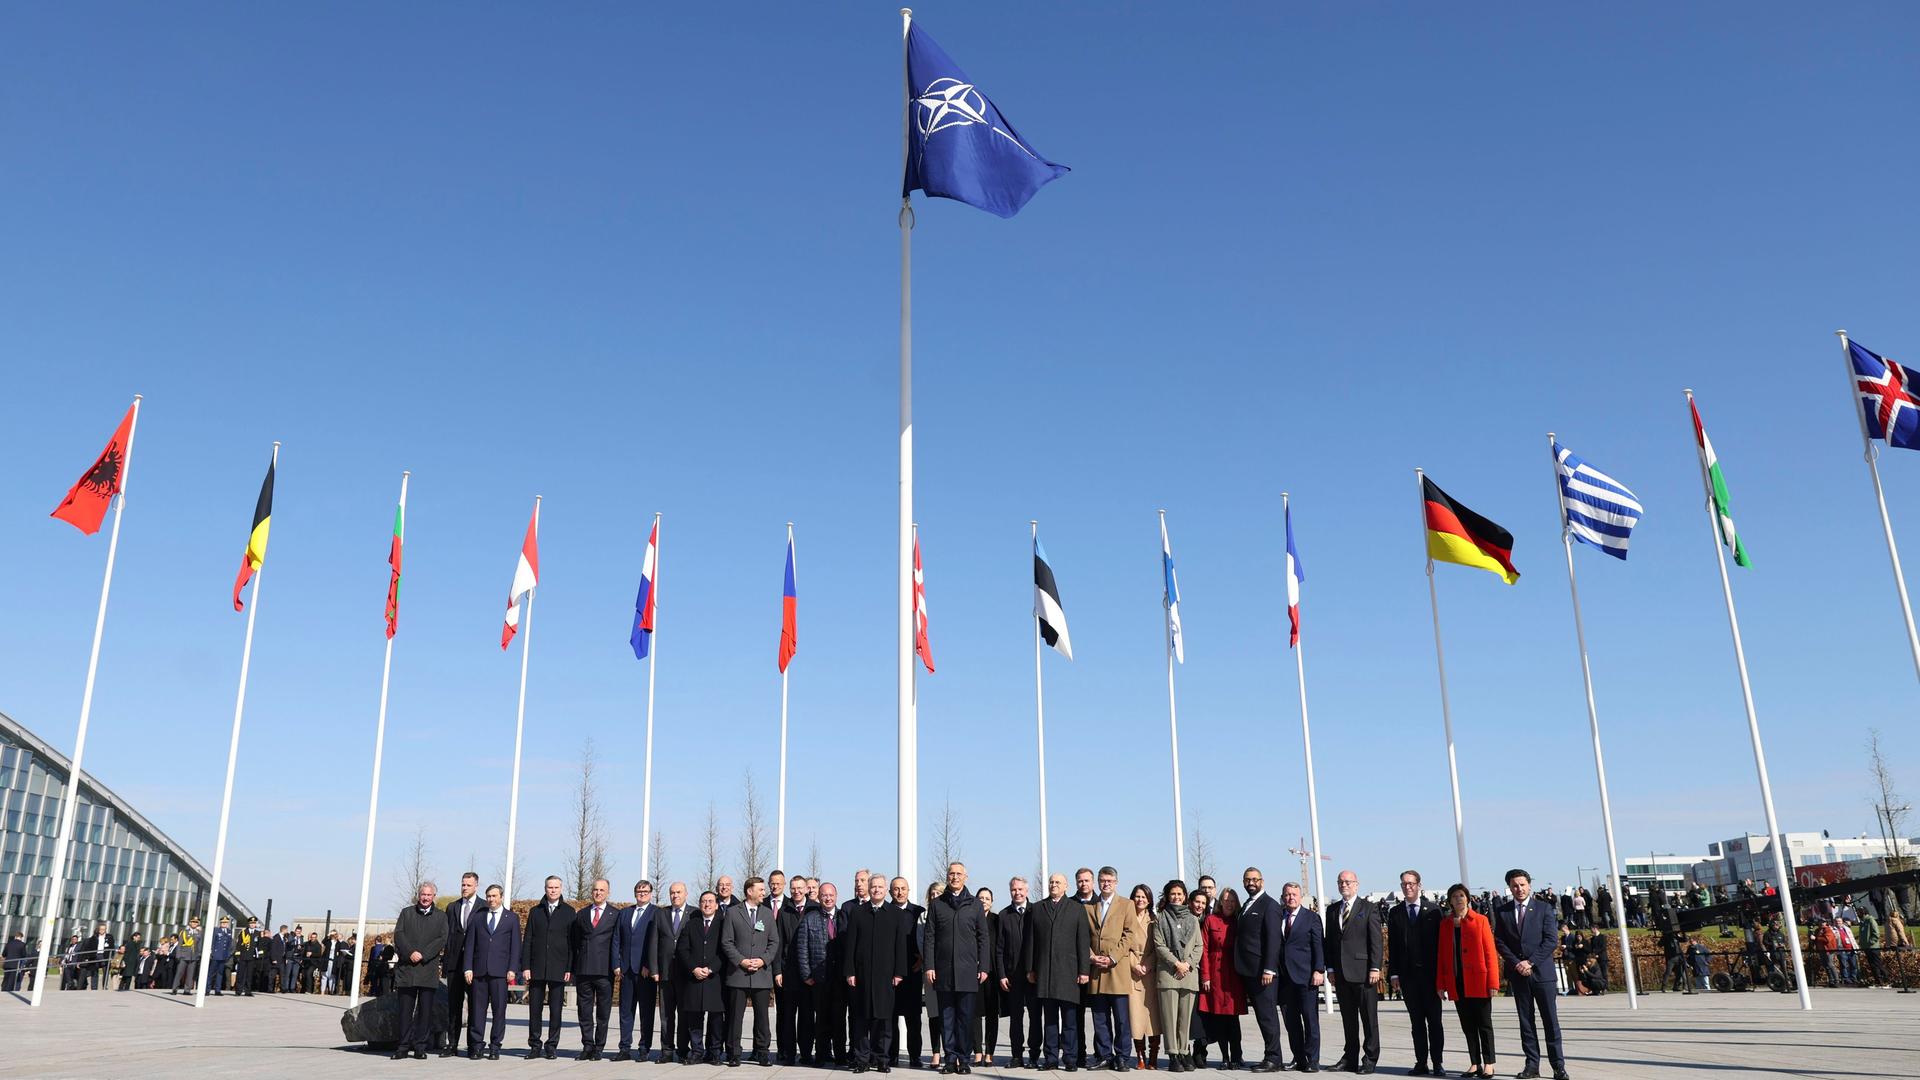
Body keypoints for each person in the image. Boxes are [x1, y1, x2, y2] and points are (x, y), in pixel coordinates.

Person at [1493, 869, 1568, 1080]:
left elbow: (1551, 940)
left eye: (1522, 884)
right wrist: (1517, 963)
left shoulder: (1544, 908)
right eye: (1515, 885)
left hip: (1542, 973)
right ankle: (1532, 1065)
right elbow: (1499, 941)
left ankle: (1558, 1066)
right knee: (1526, 1022)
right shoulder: (1503, 911)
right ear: (1510, 887)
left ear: (1529, 885)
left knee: (1550, 1021)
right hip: (1518, 974)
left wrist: (1531, 961)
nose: (1519, 889)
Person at [1022, 871, 1092, 1073]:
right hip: (1045, 973)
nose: (1054, 885)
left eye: (1058, 882)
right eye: (1051, 882)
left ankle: (1070, 1058)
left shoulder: (1076, 909)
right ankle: (1051, 1058)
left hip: (1069, 974)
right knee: (1050, 1020)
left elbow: (1083, 941)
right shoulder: (1038, 908)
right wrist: (1030, 968)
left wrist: (1084, 970)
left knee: (1070, 1020)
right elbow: (1031, 941)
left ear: (1066, 886)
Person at [924, 861, 991, 1074]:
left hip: (968, 971)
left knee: (965, 1018)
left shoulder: (975, 904)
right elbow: (929, 938)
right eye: (951, 874)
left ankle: (964, 1058)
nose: (954, 877)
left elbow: (983, 937)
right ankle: (950, 1059)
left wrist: (984, 967)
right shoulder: (937, 904)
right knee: (946, 1018)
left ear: (966, 877)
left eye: (958, 874)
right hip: (943, 971)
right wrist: (930, 966)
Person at [846, 871, 913, 1074]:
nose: (876, 889)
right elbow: (851, 945)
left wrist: (899, 972)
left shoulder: (895, 913)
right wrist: (850, 971)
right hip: (862, 975)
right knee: (861, 1019)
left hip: (886, 976)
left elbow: (900, 946)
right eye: (873, 886)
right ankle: (862, 1059)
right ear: (869, 888)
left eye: (880, 887)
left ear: (886, 890)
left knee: (884, 1020)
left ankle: (882, 1058)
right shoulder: (858, 912)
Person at [1387, 870, 1445, 1077]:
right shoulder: (1395, 913)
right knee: (1417, 1023)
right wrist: (1393, 974)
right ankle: (1421, 1062)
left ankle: (1438, 1062)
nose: (1407, 887)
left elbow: (1442, 946)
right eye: (1404, 884)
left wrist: (1443, 977)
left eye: (1411, 883)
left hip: (1431, 977)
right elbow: (1392, 946)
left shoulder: (1434, 910)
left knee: (1435, 1022)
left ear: (1419, 885)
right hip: (1408, 976)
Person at [1436, 884, 1497, 1079]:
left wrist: (1493, 982)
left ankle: (1489, 1063)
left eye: (1461, 895)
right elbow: (1441, 957)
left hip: (1479, 980)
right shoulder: (1445, 925)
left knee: (1484, 1024)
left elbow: (1490, 953)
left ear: (1468, 898)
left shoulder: (1480, 920)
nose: (1458, 899)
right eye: (1454, 896)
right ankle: (1474, 1063)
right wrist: (1440, 984)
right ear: (1450, 901)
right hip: (1457, 980)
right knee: (1467, 1025)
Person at [1326, 870, 1381, 1074]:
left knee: (1369, 1019)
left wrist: (1375, 967)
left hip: (1364, 972)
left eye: (1348, 882)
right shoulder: (1332, 910)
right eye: (1340, 882)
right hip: (1340, 974)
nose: (1344, 885)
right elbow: (1329, 942)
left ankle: (1370, 1057)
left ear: (1356, 885)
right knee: (1348, 1020)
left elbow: (1376, 939)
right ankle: (1350, 1057)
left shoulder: (1368, 908)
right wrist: (1330, 968)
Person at [723, 874, 781, 1067]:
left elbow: (774, 942)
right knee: (735, 1017)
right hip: (738, 974)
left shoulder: (767, 913)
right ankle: (733, 1053)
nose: (765, 892)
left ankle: (763, 1052)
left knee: (762, 1017)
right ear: (750, 891)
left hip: (761, 975)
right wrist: (741, 961)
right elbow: (727, 942)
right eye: (761, 889)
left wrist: (763, 960)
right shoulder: (732, 913)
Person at [1086, 868, 1139, 1072]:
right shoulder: (1089, 907)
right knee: (1100, 1018)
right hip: (1096, 971)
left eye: (1109, 880)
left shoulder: (1126, 904)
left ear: (1116, 882)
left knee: (1121, 1019)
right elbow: (1083, 935)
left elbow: (1129, 935)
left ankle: (1123, 1056)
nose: (1106, 884)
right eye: (1102, 880)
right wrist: (1091, 956)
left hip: (1116, 969)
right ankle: (1104, 1055)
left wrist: (1112, 958)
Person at [1233, 868, 1286, 1072]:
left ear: (1262, 881)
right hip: (1249, 970)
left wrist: (1269, 969)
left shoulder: (1270, 905)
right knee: (1262, 1016)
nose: (1251, 883)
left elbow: (1274, 940)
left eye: (1255, 879)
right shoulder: (1247, 904)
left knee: (1267, 1015)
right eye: (1247, 880)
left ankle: (1273, 1058)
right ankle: (1273, 1056)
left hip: (1263, 973)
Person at [463, 883, 522, 1060]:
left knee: (499, 1011)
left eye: (494, 896)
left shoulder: (511, 918)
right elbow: (470, 944)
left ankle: (495, 1046)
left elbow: (515, 947)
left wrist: (512, 969)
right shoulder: (478, 917)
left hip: (500, 973)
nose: (491, 899)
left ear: (501, 897)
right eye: (489, 896)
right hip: (479, 972)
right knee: (477, 1011)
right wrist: (468, 967)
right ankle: (477, 1046)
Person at [393, 881, 448, 1061]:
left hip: (427, 971)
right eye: (423, 894)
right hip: (407, 970)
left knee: (425, 1012)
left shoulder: (441, 917)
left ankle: (420, 1047)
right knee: (405, 1012)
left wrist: (423, 954)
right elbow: (399, 934)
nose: (425, 898)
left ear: (434, 897)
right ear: (419, 895)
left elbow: (442, 939)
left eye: (429, 895)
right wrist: (410, 953)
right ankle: (402, 1047)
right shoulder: (406, 913)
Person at [523, 875, 576, 1060]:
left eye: (556, 887)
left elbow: (572, 943)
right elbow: (528, 939)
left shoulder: (569, 912)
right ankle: (534, 1045)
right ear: (545, 888)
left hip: (559, 968)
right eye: (549, 887)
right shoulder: (535, 911)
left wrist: (570, 967)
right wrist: (526, 966)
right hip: (536, 967)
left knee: (556, 1010)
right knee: (534, 1010)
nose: (552, 890)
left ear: (561, 889)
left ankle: (552, 1046)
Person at [1150, 881, 1201, 1073]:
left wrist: (1187, 964)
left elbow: (1199, 946)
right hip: (1168, 973)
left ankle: (1183, 1050)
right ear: (1167, 896)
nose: (1176, 897)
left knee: (1184, 1018)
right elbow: (1159, 945)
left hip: (1188, 974)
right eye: (1173, 894)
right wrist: (1176, 964)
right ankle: (1172, 1054)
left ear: (1185, 895)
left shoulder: (1193, 919)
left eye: (1180, 894)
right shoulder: (1160, 918)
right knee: (1169, 1017)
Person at [1274, 883, 1324, 1074]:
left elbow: (1318, 945)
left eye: (1294, 894)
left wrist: (1319, 970)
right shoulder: (1278, 916)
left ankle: (1313, 1059)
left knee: (1310, 1020)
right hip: (1284, 978)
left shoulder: (1311, 918)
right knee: (1291, 1022)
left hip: (1306, 978)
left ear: (1300, 896)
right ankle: (1299, 1057)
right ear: (1283, 896)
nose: (1290, 898)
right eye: (1287, 894)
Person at [676, 890, 729, 1065]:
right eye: (704, 901)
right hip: (694, 978)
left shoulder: (723, 924)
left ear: (716, 904)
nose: (707, 904)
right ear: (699, 904)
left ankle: (714, 1052)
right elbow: (683, 950)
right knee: (695, 1019)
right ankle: (697, 1051)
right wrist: (694, 968)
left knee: (715, 1019)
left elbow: (725, 951)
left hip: (715, 979)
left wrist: (710, 968)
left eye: (710, 901)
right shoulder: (692, 924)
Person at [613, 878, 662, 1062]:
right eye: (639, 891)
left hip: (645, 972)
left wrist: (650, 965)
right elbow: (617, 938)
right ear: (635, 893)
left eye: (645, 891)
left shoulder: (656, 913)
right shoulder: (625, 913)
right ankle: (624, 1047)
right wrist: (616, 964)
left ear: (651, 894)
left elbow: (657, 942)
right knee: (625, 1011)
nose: (642, 894)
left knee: (646, 1012)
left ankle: (644, 1048)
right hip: (626, 970)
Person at [1198, 887, 1246, 1071]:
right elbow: (1204, 949)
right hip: (1216, 975)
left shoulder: (1239, 920)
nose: (1229, 904)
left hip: (1234, 975)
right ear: (1220, 902)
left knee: (1233, 1020)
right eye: (1226, 900)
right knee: (1219, 1019)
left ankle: (1237, 1055)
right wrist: (1206, 976)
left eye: (1232, 901)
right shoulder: (1211, 920)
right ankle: (1224, 1057)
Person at [998, 878, 1043, 1069]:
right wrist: (1001, 974)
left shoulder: (1037, 911)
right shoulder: (1004, 915)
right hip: (1012, 976)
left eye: (1020, 889)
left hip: (1032, 975)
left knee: (1035, 1016)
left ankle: (1034, 1055)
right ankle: (1017, 1055)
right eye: (1014, 889)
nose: (1017, 892)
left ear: (1027, 890)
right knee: (1015, 1018)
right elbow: (998, 949)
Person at [573, 877, 619, 1060]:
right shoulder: (582, 914)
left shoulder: (615, 914)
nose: (598, 893)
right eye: (595, 890)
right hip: (584, 969)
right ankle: (587, 1045)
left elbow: (617, 942)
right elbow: (575, 941)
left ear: (608, 892)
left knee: (603, 1011)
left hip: (604, 970)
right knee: (584, 1011)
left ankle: (599, 1047)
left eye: (602, 890)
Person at [776, 873, 815, 1067]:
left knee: (807, 1017)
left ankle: (807, 1053)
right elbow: (778, 942)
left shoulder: (815, 909)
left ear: (807, 889)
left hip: (808, 974)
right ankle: (789, 1054)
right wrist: (778, 971)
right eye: (793, 888)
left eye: (800, 888)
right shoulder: (785, 911)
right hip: (789, 972)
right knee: (788, 1017)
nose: (796, 891)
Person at [441, 871, 481, 1057]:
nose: (465, 888)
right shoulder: (452, 907)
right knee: (453, 1006)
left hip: (475, 965)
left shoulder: (483, 907)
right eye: (463, 884)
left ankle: (473, 1045)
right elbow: (448, 935)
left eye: (468, 885)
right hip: (454, 964)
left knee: (474, 1006)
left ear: (476, 886)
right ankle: (452, 1043)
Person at [808, 881, 847, 1067]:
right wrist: (807, 973)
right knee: (821, 1019)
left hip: (840, 978)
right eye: (824, 895)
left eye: (831, 895)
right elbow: (802, 948)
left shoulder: (844, 917)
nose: (828, 898)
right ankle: (822, 1054)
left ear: (836, 896)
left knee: (839, 1019)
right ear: (819, 897)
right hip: (819, 977)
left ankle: (840, 1055)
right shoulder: (811, 918)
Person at [894, 876, 929, 1068]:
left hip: (913, 972)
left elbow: (927, 939)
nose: (900, 892)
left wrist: (922, 959)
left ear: (908, 890)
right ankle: (891, 1055)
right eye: (896, 889)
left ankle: (915, 1055)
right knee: (890, 1017)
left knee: (913, 1018)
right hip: (892, 974)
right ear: (891, 891)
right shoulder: (886, 911)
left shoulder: (918, 912)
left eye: (903, 888)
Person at [657, 882, 693, 1060]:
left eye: (678, 892)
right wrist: (654, 968)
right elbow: (653, 942)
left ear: (686, 894)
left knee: (685, 1014)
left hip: (686, 973)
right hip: (665, 973)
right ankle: (666, 1050)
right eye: (672, 893)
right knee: (666, 1015)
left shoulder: (694, 913)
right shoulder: (661, 913)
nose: (675, 895)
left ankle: (683, 1050)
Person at [1127, 883, 1159, 1071]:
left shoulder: (1154, 920)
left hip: (1150, 973)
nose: (1140, 900)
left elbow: (1158, 947)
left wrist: (1147, 964)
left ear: (1149, 900)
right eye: (1137, 896)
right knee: (1136, 1017)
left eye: (1144, 897)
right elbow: (1123, 944)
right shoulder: (1127, 918)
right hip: (1132, 973)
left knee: (1153, 1018)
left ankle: (1154, 1055)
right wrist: (1134, 964)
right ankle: (1140, 1055)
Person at [972, 886, 1000, 1068]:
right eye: (980, 898)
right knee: (974, 1015)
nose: (983, 901)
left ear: (992, 901)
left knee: (991, 1014)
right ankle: (977, 1052)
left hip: (993, 973)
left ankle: (989, 1052)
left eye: (987, 898)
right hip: (972, 973)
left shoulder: (997, 920)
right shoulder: (970, 918)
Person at [169, 918, 201, 995]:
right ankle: (175, 989)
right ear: (190, 923)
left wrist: (199, 955)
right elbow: (179, 944)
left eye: (196, 922)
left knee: (190, 974)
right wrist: (178, 955)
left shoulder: (199, 933)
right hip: (183, 955)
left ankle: (187, 990)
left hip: (193, 956)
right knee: (179, 973)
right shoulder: (184, 932)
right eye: (193, 922)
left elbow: (199, 945)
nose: (194, 923)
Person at [233, 919, 260, 997]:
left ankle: (248, 990)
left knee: (249, 975)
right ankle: (238, 990)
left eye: (254, 923)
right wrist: (238, 955)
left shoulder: (257, 933)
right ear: (248, 924)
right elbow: (239, 944)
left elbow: (258, 945)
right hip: (243, 956)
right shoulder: (243, 932)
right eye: (251, 923)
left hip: (252, 957)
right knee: (240, 974)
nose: (252, 925)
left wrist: (258, 955)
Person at [209, 917, 234, 996]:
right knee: (212, 973)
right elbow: (212, 942)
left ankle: (217, 990)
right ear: (220, 923)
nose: (224, 924)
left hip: (224, 955)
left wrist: (228, 954)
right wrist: (211, 952)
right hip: (216, 955)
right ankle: (207, 989)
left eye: (226, 923)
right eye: (223, 923)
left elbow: (229, 944)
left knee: (220, 973)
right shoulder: (216, 930)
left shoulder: (229, 931)